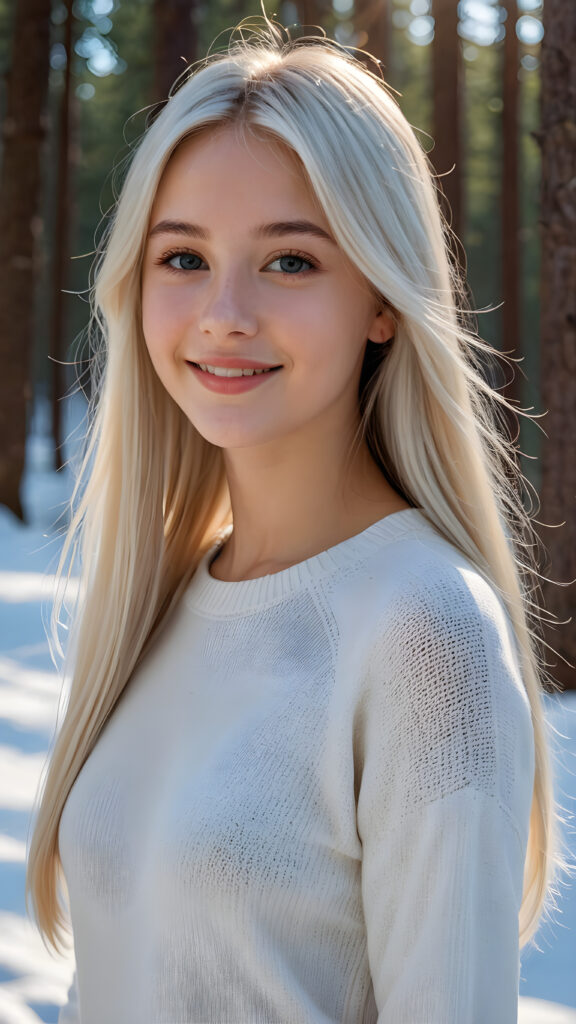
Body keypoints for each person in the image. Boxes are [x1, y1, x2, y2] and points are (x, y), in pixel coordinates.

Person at [27, 18, 563, 1024]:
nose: (224, 311)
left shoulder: (426, 631)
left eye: (290, 262)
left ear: (383, 299)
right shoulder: (165, 601)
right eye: (183, 257)